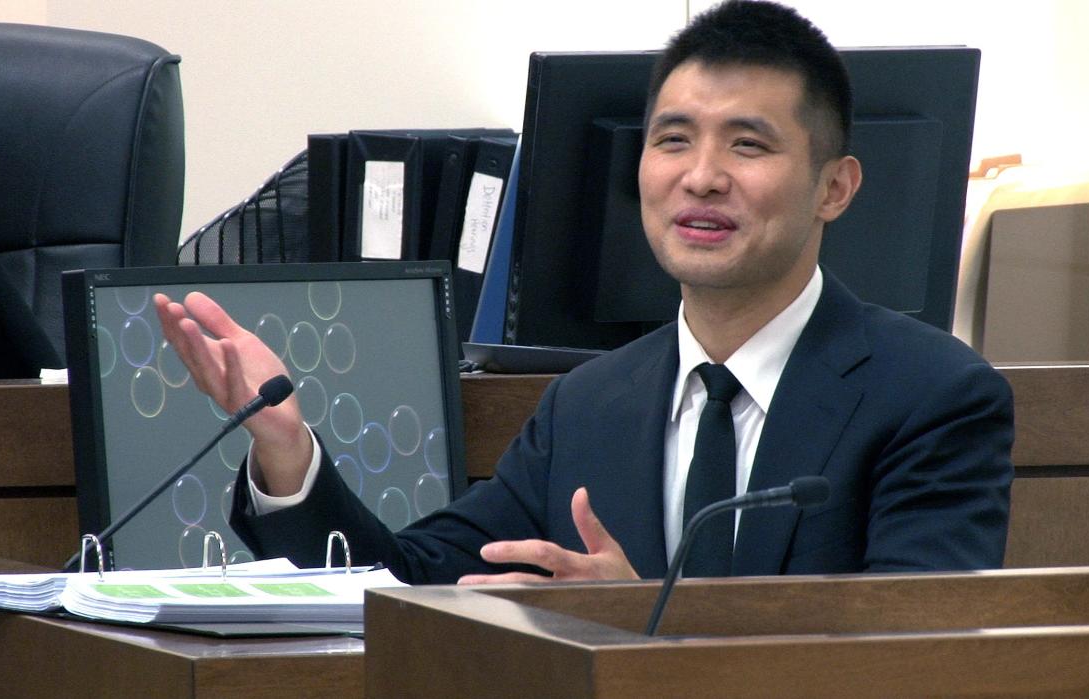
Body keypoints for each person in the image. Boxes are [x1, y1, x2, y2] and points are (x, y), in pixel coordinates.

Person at [155, 0, 1013, 585]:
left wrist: (643, 626)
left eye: (748, 145)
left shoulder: (931, 396)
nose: (701, 177)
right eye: (672, 140)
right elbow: (410, 585)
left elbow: (911, 650)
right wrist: (286, 449)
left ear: (836, 187)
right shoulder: (589, 406)